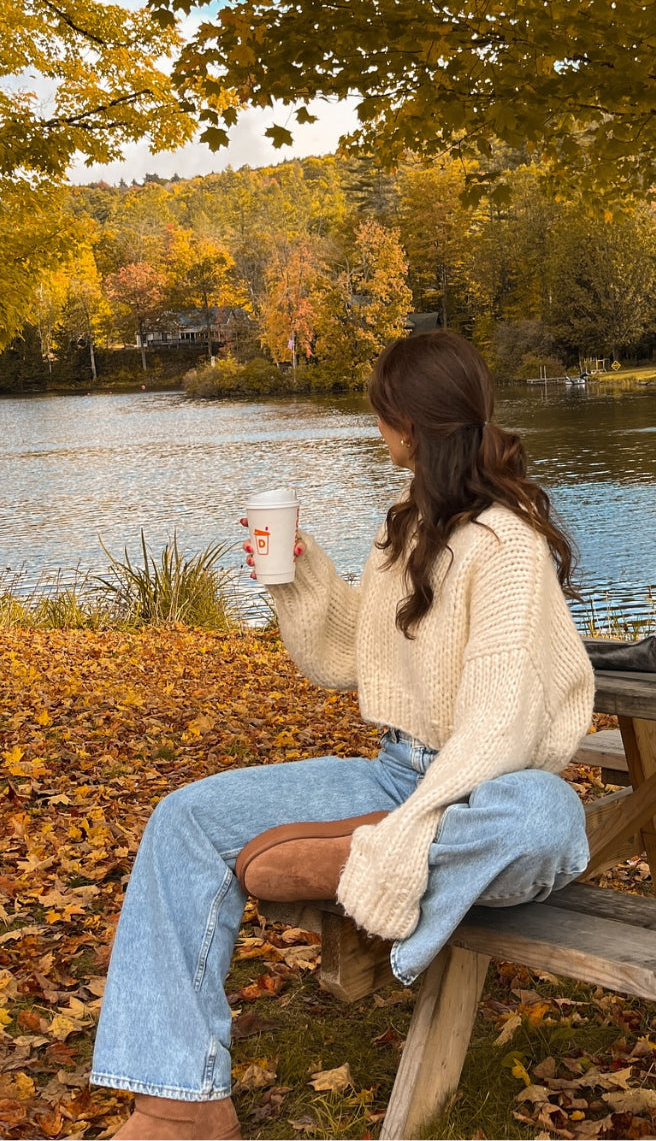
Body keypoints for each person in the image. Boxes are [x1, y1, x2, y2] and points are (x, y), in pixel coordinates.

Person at [91, 330, 595, 1140]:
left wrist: (412, 829)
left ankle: (372, 851)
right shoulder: (407, 525)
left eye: (383, 415)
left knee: (545, 820)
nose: (377, 431)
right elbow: (350, 656)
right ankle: (179, 1102)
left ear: (411, 422)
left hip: (483, 781)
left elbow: (501, 722)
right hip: (393, 773)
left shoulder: (507, 543)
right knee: (181, 818)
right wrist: (296, 570)